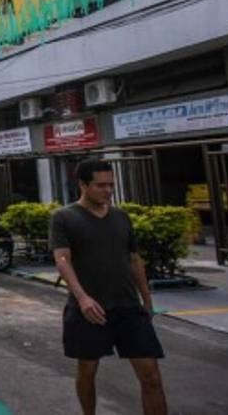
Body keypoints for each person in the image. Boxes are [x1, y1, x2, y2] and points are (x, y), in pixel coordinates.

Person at [50, 158, 167, 415]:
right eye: (100, 185)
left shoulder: (121, 217)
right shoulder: (64, 217)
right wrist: (82, 298)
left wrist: (146, 299)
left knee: (152, 377)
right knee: (88, 372)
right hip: (89, 310)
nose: (107, 191)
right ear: (82, 184)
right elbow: (62, 259)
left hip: (128, 308)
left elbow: (134, 259)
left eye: (111, 185)